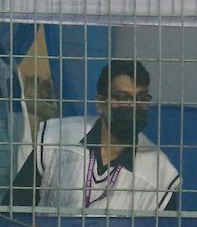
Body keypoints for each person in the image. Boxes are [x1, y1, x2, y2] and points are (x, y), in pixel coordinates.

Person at [4, 60, 180, 211]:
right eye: (122, 98)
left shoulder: (161, 175)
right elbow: (14, 211)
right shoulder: (55, 138)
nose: (133, 106)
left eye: (140, 98)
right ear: (100, 104)